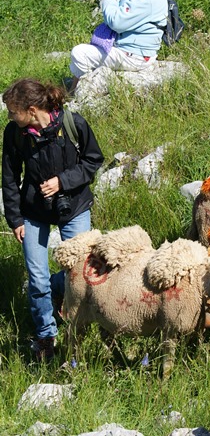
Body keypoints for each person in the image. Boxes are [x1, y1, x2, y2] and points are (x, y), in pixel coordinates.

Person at [2, 78, 104, 361]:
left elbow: (93, 160)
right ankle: (46, 335)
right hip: (32, 212)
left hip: (74, 206)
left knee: (77, 272)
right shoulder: (14, 133)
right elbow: (10, 179)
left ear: (32, 110)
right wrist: (15, 219)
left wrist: (62, 181)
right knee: (36, 278)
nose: (9, 116)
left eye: (13, 111)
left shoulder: (73, 123)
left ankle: (73, 322)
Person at [67, 0, 168, 93]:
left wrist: (107, 1)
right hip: (126, 48)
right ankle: (74, 89)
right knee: (86, 53)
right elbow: (117, 3)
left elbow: (116, 22)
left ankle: (75, 92)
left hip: (136, 55)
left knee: (80, 53)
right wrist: (114, 3)